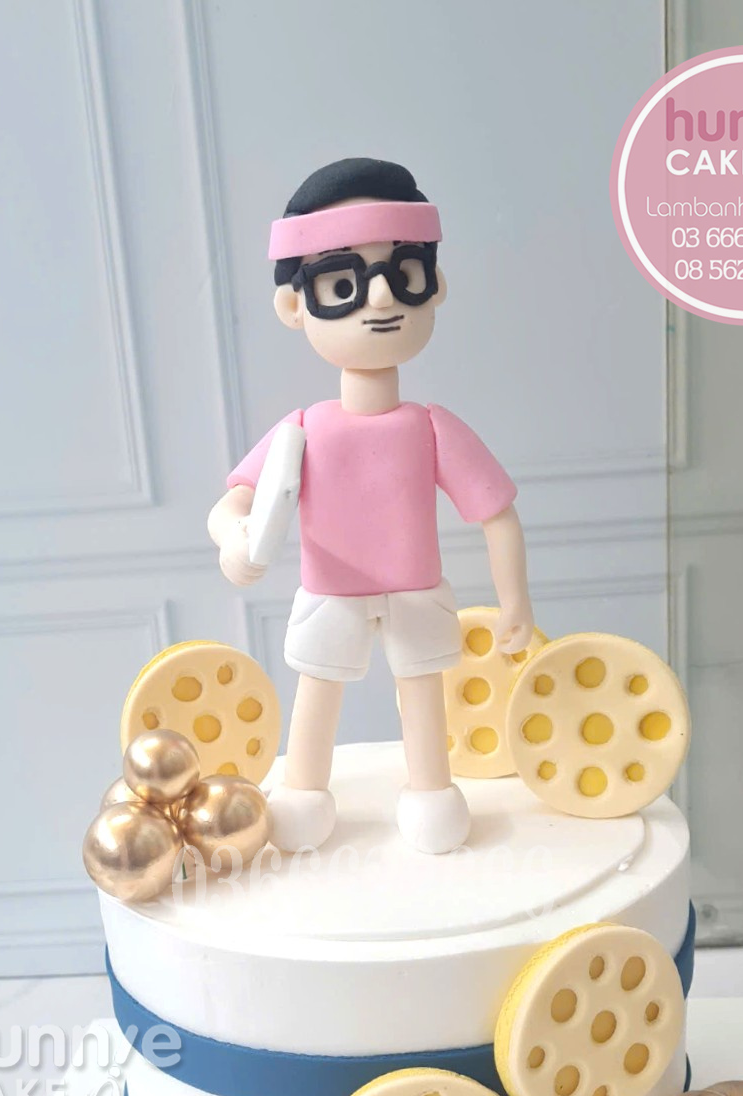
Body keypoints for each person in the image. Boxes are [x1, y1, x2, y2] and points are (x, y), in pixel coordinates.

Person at [207, 157, 533, 854]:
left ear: (433, 287)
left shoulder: (430, 427)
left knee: (421, 689)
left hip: (415, 588)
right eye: (342, 285)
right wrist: (235, 537)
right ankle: (304, 790)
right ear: (295, 306)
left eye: (403, 275)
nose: (380, 300)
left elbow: (496, 513)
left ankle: (431, 790)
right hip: (331, 590)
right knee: (318, 690)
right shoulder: (302, 430)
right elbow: (232, 501)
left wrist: (516, 603)